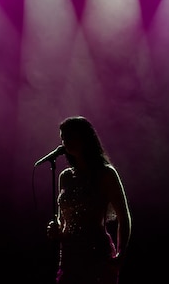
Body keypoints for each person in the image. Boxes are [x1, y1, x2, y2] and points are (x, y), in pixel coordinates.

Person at [46, 116, 132, 284]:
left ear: (85, 138)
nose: (65, 142)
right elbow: (63, 222)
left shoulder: (106, 173)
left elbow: (124, 216)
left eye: (70, 136)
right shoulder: (65, 177)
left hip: (97, 255)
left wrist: (121, 253)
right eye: (63, 138)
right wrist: (55, 231)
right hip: (69, 259)